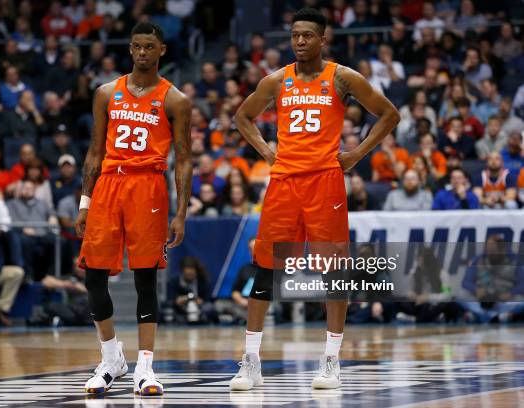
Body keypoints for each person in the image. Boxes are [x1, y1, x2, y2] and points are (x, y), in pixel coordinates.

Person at [229, 8, 399, 391]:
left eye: (308, 35)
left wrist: (357, 154)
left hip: (325, 182)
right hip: (284, 182)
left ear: (323, 39)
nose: (300, 41)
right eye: (294, 36)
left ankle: (331, 361)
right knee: (266, 269)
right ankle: (251, 361)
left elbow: (389, 115)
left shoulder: (341, 77)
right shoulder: (276, 81)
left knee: (333, 272)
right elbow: (243, 117)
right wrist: (266, 152)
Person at [75, 22, 192, 396]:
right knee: (94, 274)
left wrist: (181, 212)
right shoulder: (106, 93)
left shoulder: (175, 100)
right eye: (137, 46)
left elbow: (185, 160)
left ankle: (145, 367)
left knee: (145, 278)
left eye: (149, 47)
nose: (142, 52)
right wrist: (85, 201)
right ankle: (111, 358)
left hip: (148, 186)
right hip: (109, 184)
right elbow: (94, 151)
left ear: (162, 51)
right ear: (130, 49)